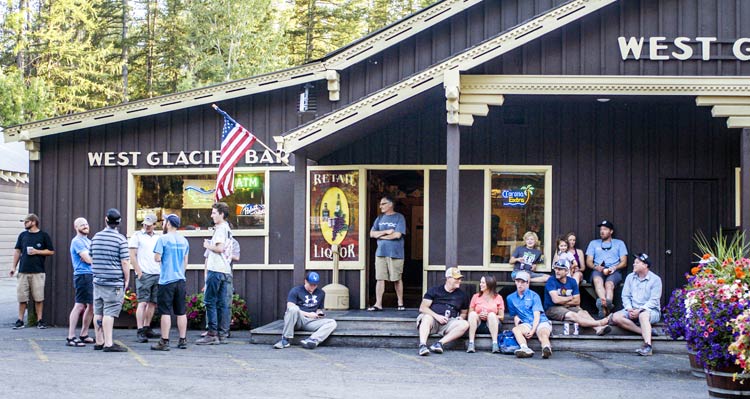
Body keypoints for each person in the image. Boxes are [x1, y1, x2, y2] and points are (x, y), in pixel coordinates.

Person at [90, 208, 130, 352]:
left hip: (98, 280)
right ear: (119, 222)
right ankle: (108, 343)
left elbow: (91, 257)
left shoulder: (95, 237)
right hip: (114, 282)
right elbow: (125, 262)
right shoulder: (120, 239)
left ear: (106, 219)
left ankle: (99, 341)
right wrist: (126, 279)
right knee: (109, 312)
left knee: (98, 312)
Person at [151, 214, 190, 351]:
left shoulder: (163, 239)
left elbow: (157, 258)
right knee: (181, 311)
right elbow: (185, 262)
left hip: (167, 279)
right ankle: (182, 339)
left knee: (165, 311)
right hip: (180, 279)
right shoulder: (184, 240)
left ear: (168, 224)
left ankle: (165, 341)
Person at [610, 253, 662, 356]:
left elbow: (654, 301)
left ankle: (648, 346)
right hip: (632, 309)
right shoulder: (630, 277)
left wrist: (640, 310)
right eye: (634, 263)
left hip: (651, 311)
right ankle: (647, 332)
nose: (634, 265)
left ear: (645, 265)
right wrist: (629, 308)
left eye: (637, 263)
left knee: (643, 315)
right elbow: (625, 296)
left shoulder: (655, 279)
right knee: (616, 317)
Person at [196, 202, 233, 345]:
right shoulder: (228, 229)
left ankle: (212, 333)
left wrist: (207, 245)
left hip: (216, 268)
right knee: (222, 303)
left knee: (210, 301)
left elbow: (220, 248)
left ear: (221, 214)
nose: (212, 215)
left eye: (214, 213)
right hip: (225, 269)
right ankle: (222, 333)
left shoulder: (220, 229)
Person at [10, 213, 55, 329]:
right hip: (23, 271)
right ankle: (20, 320)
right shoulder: (22, 235)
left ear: (33, 222)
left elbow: (51, 251)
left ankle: (40, 320)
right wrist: (13, 267)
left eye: (26, 222)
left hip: (38, 272)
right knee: (22, 297)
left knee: (39, 297)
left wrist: (37, 251)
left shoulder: (43, 235)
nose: (25, 224)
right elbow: (17, 251)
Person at [544, 261, 611, 337]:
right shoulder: (551, 280)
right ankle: (599, 323)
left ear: (566, 271)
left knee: (584, 313)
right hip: (552, 308)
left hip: (569, 307)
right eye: (556, 269)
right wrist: (570, 298)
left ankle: (598, 329)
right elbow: (556, 300)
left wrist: (563, 301)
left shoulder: (572, 281)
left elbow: (577, 301)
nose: (557, 271)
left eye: (560, 269)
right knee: (573, 315)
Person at [273, 272, 337, 350]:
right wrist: (308, 314)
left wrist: (319, 313)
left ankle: (313, 340)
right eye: (311, 284)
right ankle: (285, 339)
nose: (313, 287)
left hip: (311, 322)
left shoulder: (321, 293)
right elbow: (289, 307)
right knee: (294, 309)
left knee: (332, 322)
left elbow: (318, 308)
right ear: (305, 281)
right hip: (297, 320)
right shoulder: (296, 290)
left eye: (315, 285)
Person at [416, 267, 469, 356]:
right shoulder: (434, 290)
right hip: (432, 320)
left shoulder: (462, 295)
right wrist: (437, 316)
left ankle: (439, 344)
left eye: (460, 279)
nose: (459, 281)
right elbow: (423, 308)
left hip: (449, 322)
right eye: (457, 278)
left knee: (465, 324)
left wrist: (461, 317)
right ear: (448, 278)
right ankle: (422, 346)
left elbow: (464, 313)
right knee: (427, 317)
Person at [368, 195, 407, 311]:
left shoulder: (399, 217)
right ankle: (378, 304)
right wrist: (385, 232)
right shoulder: (379, 218)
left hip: (396, 253)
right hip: (380, 252)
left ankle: (400, 303)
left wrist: (381, 237)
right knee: (380, 278)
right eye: (380, 204)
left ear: (390, 204)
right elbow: (371, 234)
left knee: (397, 278)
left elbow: (397, 235)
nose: (380, 206)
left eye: (383, 204)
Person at [585, 220, 628, 318]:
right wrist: (596, 267)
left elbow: (624, 262)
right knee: (597, 280)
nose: (602, 231)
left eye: (605, 229)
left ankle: (603, 307)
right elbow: (589, 261)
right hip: (598, 270)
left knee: (609, 284)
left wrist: (614, 267)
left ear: (611, 231)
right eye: (601, 229)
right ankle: (607, 306)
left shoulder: (619, 243)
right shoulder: (594, 243)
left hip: (614, 270)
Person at [128, 213, 160, 343]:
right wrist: (139, 271)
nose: (146, 226)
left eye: (149, 224)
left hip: (157, 272)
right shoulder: (137, 236)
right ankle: (140, 330)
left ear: (154, 225)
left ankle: (147, 327)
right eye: (145, 224)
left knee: (152, 303)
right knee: (142, 302)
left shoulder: (158, 238)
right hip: (144, 273)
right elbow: (132, 255)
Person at [507, 271, 552, 359]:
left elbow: (537, 316)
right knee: (516, 329)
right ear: (515, 282)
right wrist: (517, 321)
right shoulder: (510, 298)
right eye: (518, 281)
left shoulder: (534, 296)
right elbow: (515, 314)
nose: (520, 284)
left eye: (522, 282)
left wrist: (532, 331)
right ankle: (525, 348)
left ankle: (546, 348)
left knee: (543, 334)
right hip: (526, 322)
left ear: (527, 283)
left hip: (540, 321)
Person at [66, 218, 95, 347]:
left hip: (91, 275)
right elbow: (88, 259)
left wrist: (91, 258)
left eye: (86, 224)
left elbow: (93, 258)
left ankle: (84, 334)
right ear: (75, 227)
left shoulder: (89, 242)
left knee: (91, 306)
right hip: (83, 275)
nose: (85, 226)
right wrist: (90, 258)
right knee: (79, 305)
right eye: (81, 225)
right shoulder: (77, 241)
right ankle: (71, 336)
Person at [466, 275, 504, 353]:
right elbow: (470, 314)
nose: (480, 284)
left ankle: (495, 344)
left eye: (483, 283)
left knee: (492, 315)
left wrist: (490, 316)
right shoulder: (476, 296)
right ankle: (471, 343)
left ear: (489, 284)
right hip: (477, 325)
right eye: (480, 282)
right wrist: (479, 315)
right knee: (473, 314)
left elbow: (502, 317)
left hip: (493, 325)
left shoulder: (498, 297)